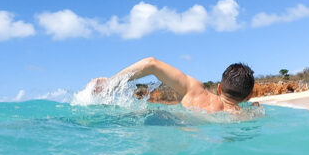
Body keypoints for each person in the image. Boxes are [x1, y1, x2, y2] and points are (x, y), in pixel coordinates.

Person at [92, 57, 255, 112]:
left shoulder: (196, 90)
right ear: (248, 96)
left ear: (219, 87)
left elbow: (151, 63)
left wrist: (110, 83)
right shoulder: (245, 116)